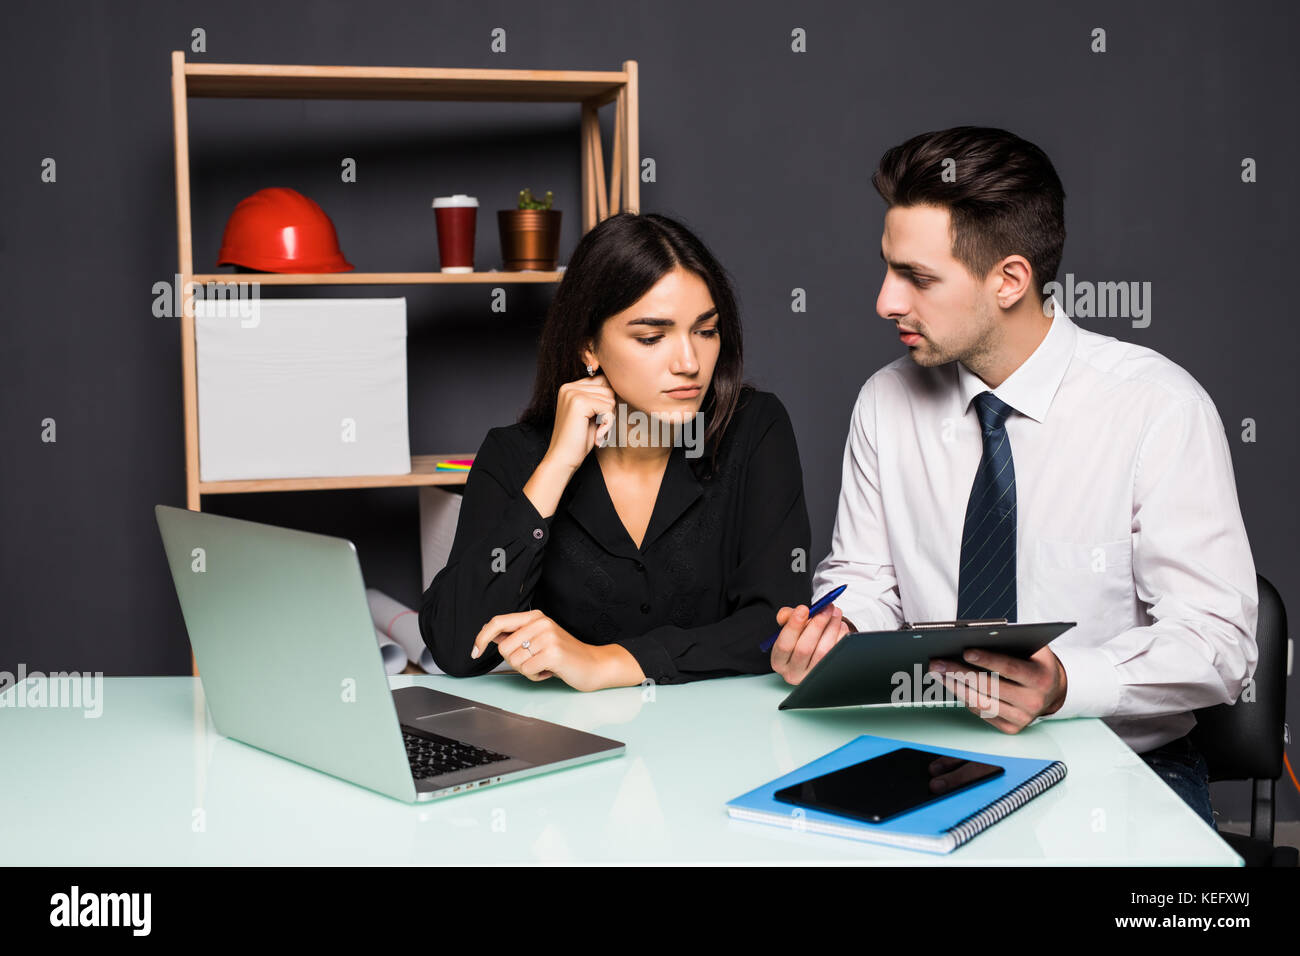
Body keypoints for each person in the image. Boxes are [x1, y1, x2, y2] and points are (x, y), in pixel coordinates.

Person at [770, 126, 1258, 828]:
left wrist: (1062, 683)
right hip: (927, 750)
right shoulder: (886, 400)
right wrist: (836, 629)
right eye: (887, 267)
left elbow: (1219, 644)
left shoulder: (1159, 408)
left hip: (1121, 764)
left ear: (1009, 280)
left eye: (917, 277)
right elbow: (866, 579)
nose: (885, 301)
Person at [420, 212, 812, 691]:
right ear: (590, 347)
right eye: (651, 337)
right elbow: (458, 646)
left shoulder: (753, 428)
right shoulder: (515, 455)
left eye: (705, 331)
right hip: (575, 747)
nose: (689, 363)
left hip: (728, 743)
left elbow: (778, 625)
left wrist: (608, 663)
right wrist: (557, 466)